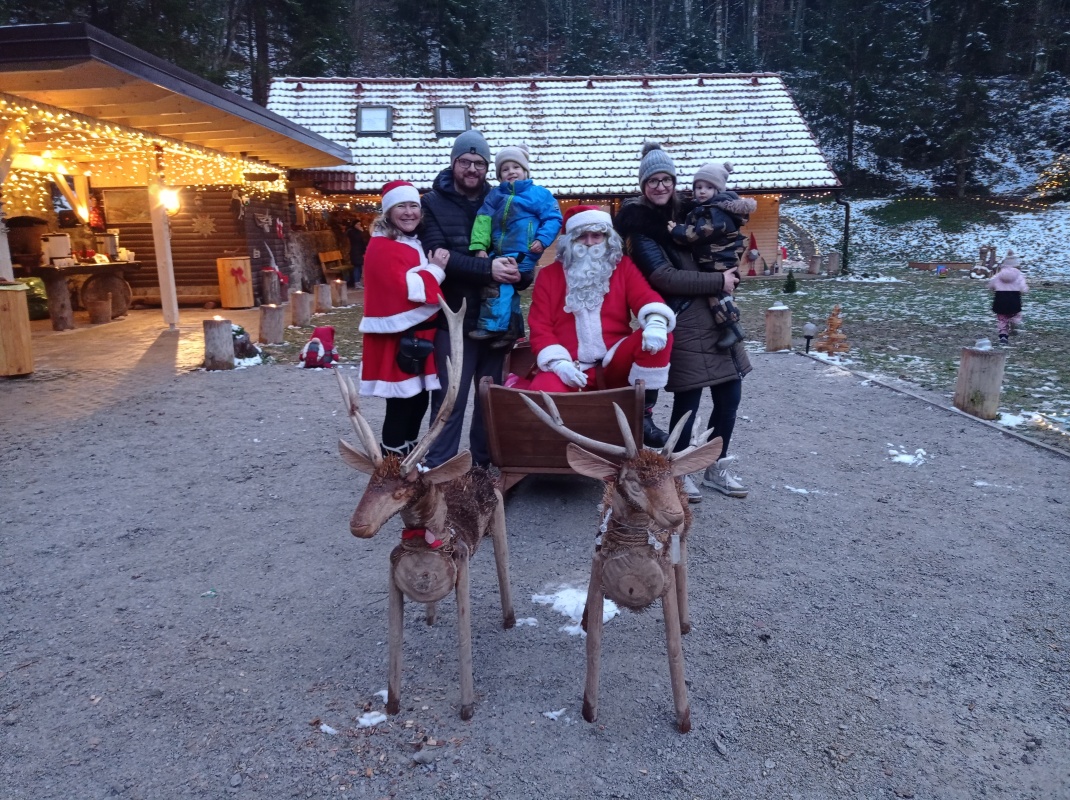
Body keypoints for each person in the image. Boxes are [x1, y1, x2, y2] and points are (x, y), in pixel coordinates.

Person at [614, 142, 752, 503]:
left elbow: (722, 248)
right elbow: (663, 277)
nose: (660, 186)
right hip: (685, 318)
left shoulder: (697, 212)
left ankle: (716, 464)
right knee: (688, 400)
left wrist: (729, 270)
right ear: (643, 185)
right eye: (653, 181)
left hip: (718, 315)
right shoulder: (641, 229)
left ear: (675, 182)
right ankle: (680, 468)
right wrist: (719, 281)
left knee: (729, 398)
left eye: (666, 179)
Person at [419, 130, 527, 468]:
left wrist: (520, 270)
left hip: (497, 321)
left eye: (479, 163)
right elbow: (438, 254)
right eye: (465, 162)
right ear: (453, 163)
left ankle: (483, 468)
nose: (472, 169)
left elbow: (520, 244)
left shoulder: (502, 199)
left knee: (489, 399)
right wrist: (489, 270)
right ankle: (440, 469)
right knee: (450, 400)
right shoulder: (430, 204)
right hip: (454, 319)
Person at [525, 206, 675, 408]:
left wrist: (656, 321)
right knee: (543, 391)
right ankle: (556, 439)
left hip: (614, 362)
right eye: (581, 236)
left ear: (607, 238)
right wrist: (559, 364)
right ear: (570, 241)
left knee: (659, 334)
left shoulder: (623, 267)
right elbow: (540, 326)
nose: (589, 243)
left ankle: (643, 410)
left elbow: (645, 297)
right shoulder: (549, 275)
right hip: (570, 365)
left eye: (596, 236)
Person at [357, 181, 450, 456]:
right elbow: (405, 289)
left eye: (414, 206)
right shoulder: (382, 246)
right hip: (398, 336)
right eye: (402, 206)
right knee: (401, 402)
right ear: (388, 211)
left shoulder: (411, 241)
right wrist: (436, 269)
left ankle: (408, 454)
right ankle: (392, 462)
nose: (409, 212)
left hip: (420, 334)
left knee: (419, 399)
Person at [469, 144, 563, 348]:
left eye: (515, 167)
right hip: (498, 250)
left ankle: (494, 326)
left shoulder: (538, 194)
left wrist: (542, 240)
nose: (511, 172)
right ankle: (512, 331)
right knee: (506, 288)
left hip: (525, 250)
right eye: (505, 169)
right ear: (499, 175)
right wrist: (480, 246)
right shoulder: (495, 196)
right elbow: (483, 220)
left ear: (525, 170)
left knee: (499, 283)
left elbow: (553, 218)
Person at [667, 161, 757, 349]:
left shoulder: (717, 212)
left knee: (718, 290)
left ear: (718, 190)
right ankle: (728, 326)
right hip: (715, 258)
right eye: (698, 187)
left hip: (720, 259)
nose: (702, 191)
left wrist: (678, 231)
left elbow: (701, 232)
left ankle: (731, 325)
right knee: (715, 291)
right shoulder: (708, 209)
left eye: (708, 187)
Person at [987, 249, 1028, 344]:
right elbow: (1023, 287)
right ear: (1016, 265)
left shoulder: (998, 275)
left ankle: (1003, 336)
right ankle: (1014, 322)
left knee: (1002, 318)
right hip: (1014, 299)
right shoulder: (1019, 275)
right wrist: (1024, 290)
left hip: (1000, 299)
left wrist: (992, 288)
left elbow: (991, 285)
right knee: (1016, 314)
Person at [346, 220, 367, 288]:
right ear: (354, 225)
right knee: (357, 267)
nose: (359, 226)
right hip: (355, 252)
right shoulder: (351, 232)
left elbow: (365, 240)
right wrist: (361, 232)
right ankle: (356, 282)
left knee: (360, 267)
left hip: (360, 251)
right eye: (357, 224)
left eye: (360, 224)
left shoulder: (359, 232)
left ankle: (358, 281)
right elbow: (357, 239)